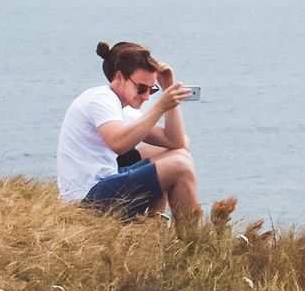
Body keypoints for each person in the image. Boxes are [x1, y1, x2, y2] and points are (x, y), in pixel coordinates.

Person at [56, 40, 200, 219]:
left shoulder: (122, 109)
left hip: (106, 181)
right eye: (141, 88)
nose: (146, 97)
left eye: (151, 90)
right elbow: (118, 143)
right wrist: (160, 107)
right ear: (118, 78)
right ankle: (192, 239)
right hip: (85, 199)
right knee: (180, 166)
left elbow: (176, 142)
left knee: (179, 155)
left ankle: (153, 225)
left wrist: (168, 89)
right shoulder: (100, 99)